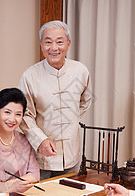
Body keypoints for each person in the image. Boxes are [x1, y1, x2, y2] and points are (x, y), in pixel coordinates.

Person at [18, 20, 92, 181]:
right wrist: (40, 139)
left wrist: (70, 121)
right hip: (41, 158)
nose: (54, 48)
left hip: (72, 154)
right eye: (48, 42)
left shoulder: (81, 71)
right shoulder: (30, 76)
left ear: (68, 44)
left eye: (59, 42)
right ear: (41, 45)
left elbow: (85, 101)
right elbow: (24, 115)